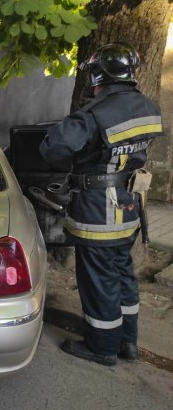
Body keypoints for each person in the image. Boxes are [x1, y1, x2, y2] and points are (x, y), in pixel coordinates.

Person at [39, 43, 163, 366]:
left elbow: (52, 148)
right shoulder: (147, 107)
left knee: (98, 280)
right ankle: (128, 343)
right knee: (123, 274)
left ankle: (102, 346)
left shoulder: (95, 114)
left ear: (99, 76)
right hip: (128, 205)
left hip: (97, 208)